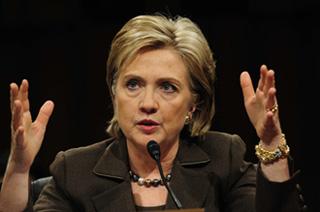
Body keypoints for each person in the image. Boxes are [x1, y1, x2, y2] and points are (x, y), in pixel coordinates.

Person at [0, 14, 304, 212]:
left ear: (193, 104)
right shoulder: (75, 171)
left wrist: (272, 144)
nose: (148, 103)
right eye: (133, 84)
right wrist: (17, 168)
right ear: (114, 92)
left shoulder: (223, 159)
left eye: (168, 87)